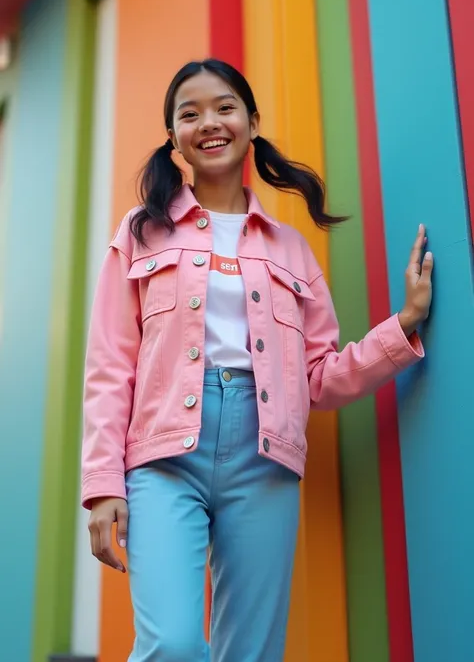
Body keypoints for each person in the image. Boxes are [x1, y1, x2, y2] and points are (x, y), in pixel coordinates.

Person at [81, 59, 433, 662]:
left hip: (265, 458)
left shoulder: (291, 249)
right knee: (173, 644)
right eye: (189, 114)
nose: (209, 123)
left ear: (250, 122)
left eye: (224, 107)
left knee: (251, 653)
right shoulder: (142, 233)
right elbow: (111, 363)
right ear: (173, 136)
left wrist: (402, 327)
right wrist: (101, 484)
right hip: (164, 457)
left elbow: (319, 377)